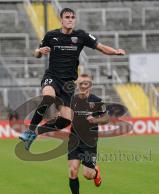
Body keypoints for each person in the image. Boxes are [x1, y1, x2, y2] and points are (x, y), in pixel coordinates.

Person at [19, 7, 125, 150]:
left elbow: (100, 47)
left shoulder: (81, 36)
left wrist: (115, 52)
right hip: (52, 77)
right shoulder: (51, 35)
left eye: (72, 17)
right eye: (67, 17)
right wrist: (39, 51)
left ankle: (36, 132)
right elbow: (36, 54)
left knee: (65, 120)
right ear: (61, 19)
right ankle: (30, 130)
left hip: (68, 84)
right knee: (48, 97)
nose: (70, 19)